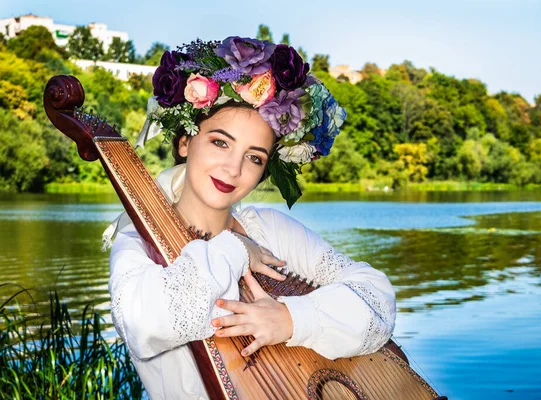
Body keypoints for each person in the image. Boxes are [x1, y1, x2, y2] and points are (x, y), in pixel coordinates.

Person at [104, 36, 396, 399]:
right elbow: (144, 324)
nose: (233, 168)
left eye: (255, 157)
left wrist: (291, 319)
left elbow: (376, 295)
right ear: (185, 142)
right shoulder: (139, 240)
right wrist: (235, 249)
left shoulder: (270, 229)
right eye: (220, 142)